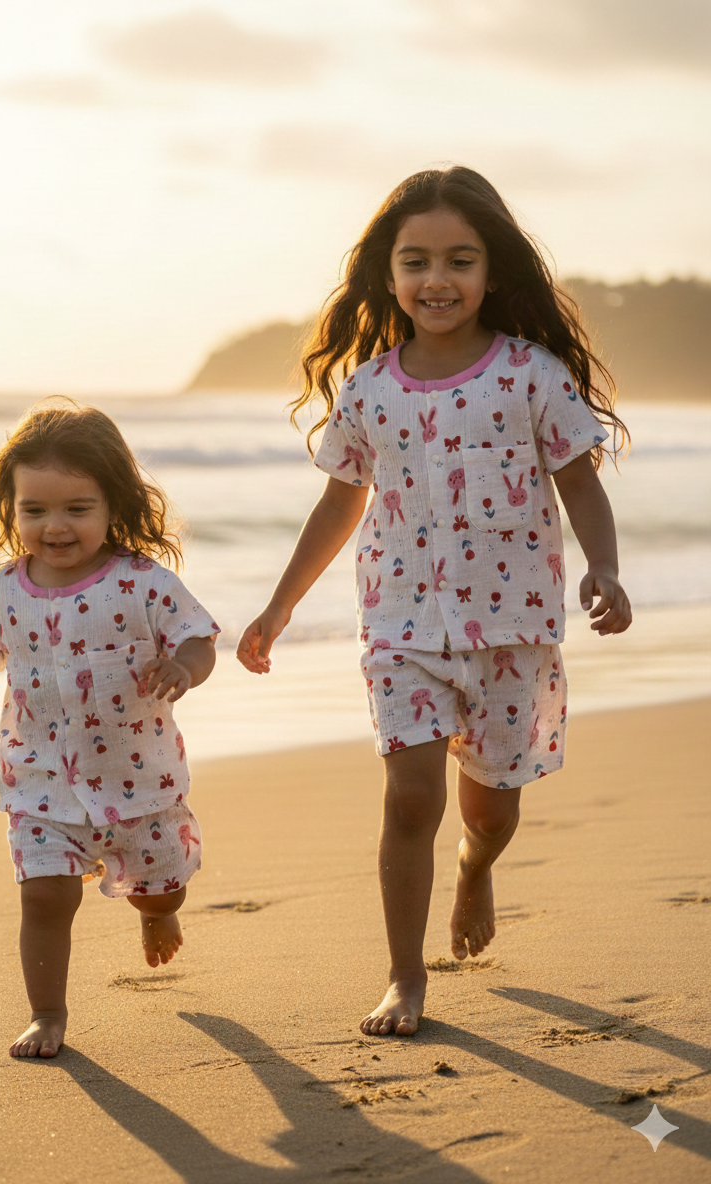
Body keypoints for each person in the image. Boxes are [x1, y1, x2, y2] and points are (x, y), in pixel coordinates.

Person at [236, 166, 632, 1037]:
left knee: (489, 809)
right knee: (411, 799)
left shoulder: (531, 373)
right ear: (388, 274)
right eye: (416, 261)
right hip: (401, 627)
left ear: (493, 273)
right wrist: (279, 607)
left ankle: (476, 867)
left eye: (460, 259)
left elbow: (579, 481)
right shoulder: (369, 389)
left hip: (511, 629)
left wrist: (603, 567)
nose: (437, 279)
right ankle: (403, 977)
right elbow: (340, 501)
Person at [0, 403, 218, 1058]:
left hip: (138, 781)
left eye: (76, 509)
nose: (54, 526)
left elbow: (198, 638)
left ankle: (158, 911)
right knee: (45, 898)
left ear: (114, 504)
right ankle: (48, 1014)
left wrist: (184, 668)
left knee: (161, 884)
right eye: (34, 510)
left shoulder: (144, 583)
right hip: (38, 783)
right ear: (9, 509)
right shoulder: (4, 592)